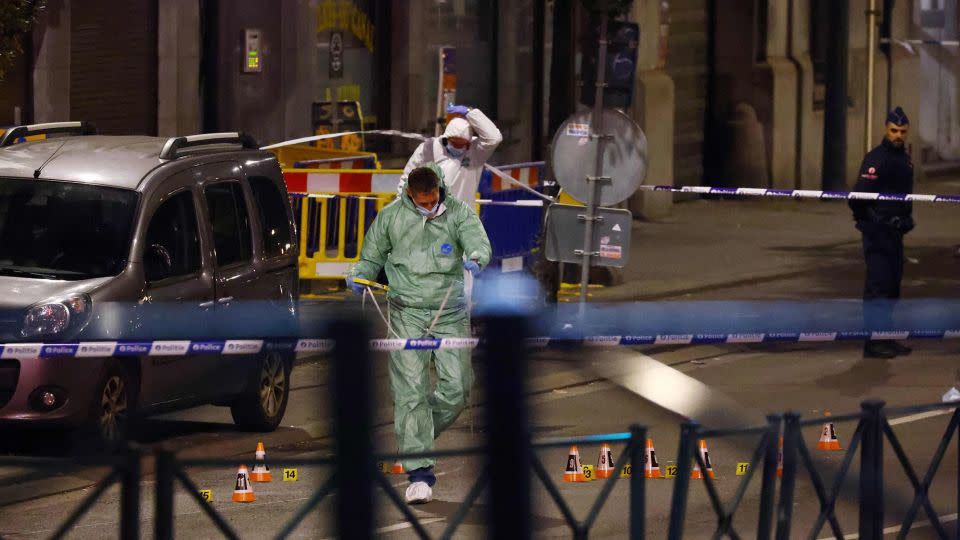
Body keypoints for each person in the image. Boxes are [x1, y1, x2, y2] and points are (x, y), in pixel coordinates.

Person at [346, 164, 492, 504]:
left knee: (458, 388)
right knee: (410, 390)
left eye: (433, 200)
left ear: (439, 189)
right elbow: (370, 258)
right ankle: (420, 474)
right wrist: (358, 275)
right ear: (411, 194)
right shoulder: (391, 217)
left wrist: (476, 257)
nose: (429, 207)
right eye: (422, 203)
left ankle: (414, 435)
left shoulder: (458, 213)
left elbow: (477, 241)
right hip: (405, 313)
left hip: (449, 312)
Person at [849, 106, 915, 359]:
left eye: (902, 131)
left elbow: (905, 194)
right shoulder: (876, 158)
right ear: (886, 129)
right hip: (878, 233)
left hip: (895, 232)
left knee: (892, 287)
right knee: (878, 287)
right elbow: (857, 197)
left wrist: (907, 217)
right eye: (894, 130)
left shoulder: (905, 159)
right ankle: (874, 343)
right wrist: (869, 219)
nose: (898, 135)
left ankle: (885, 337)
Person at [397, 104, 503, 205]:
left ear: (468, 143)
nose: (457, 147)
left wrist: (470, 113)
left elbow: (494, 138)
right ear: (446, 138)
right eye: (454, 143)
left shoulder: (475, 152)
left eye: (462, 144)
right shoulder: (430, 148)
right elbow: (409, 177)